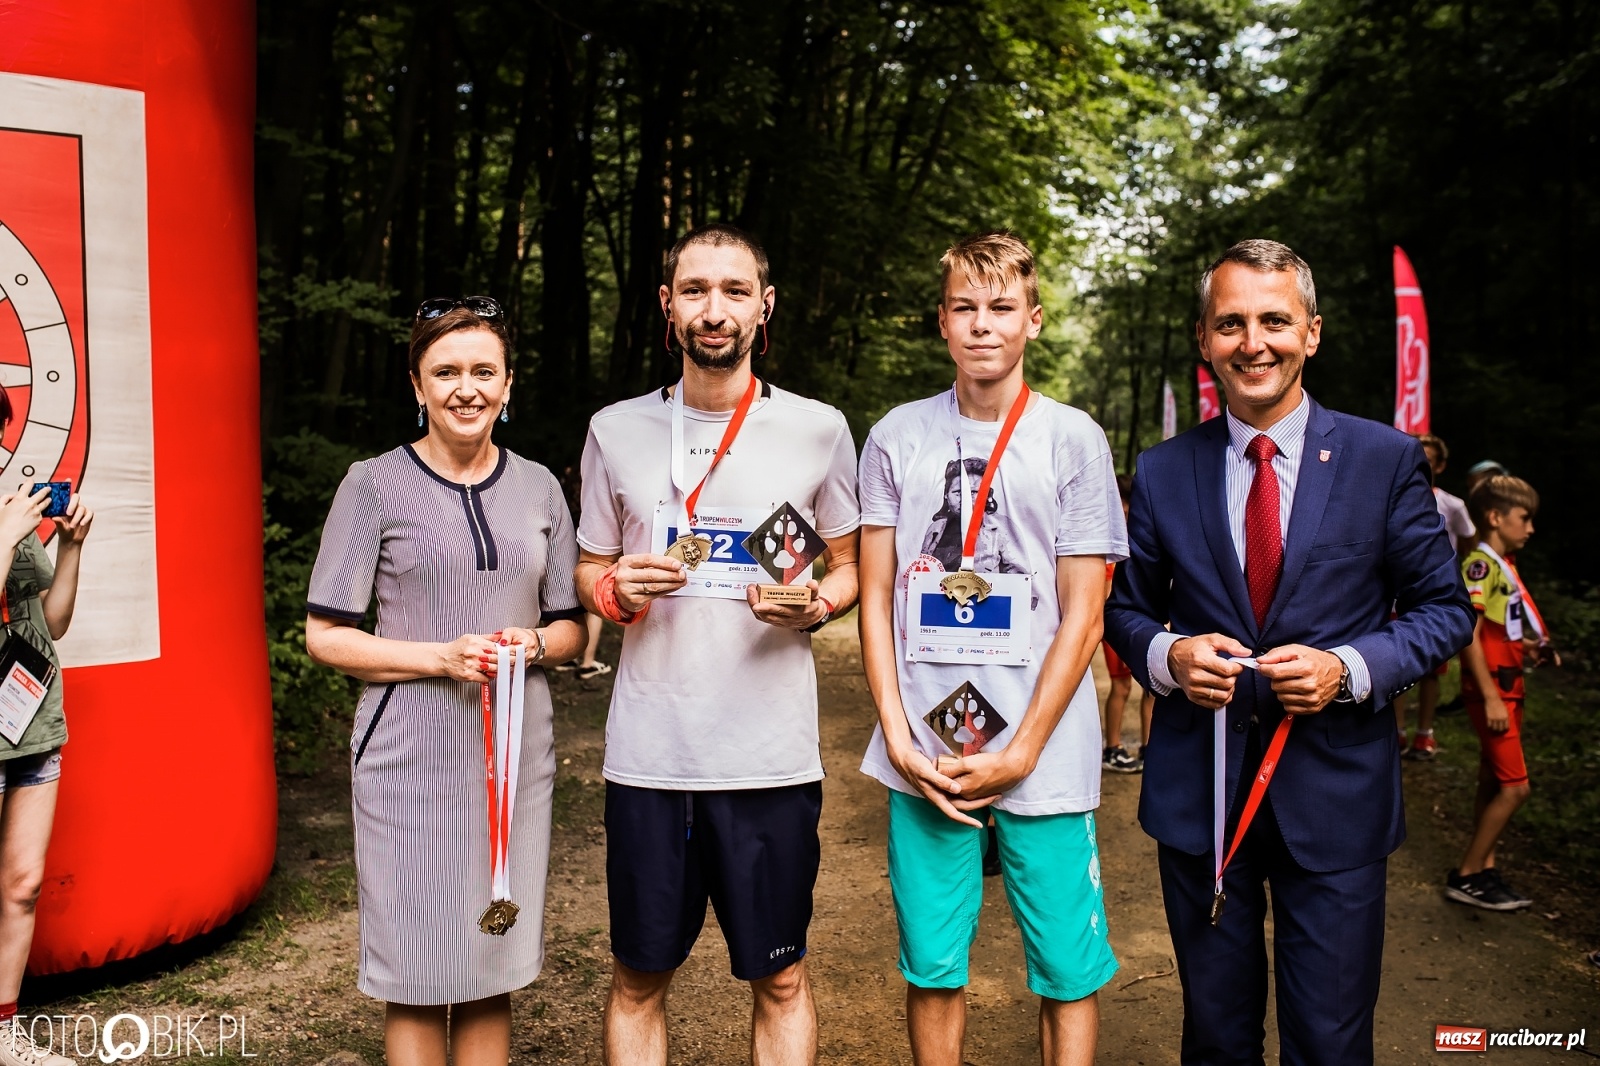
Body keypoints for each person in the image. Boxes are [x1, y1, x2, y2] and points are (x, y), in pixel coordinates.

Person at [1104, 239, 1473, 1065]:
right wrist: (1169, 656)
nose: (1253, 342)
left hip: (1336, 799)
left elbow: (1444, 610)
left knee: (1331, 1042)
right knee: (1218, 1037)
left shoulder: (1384, 461)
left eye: (1274, 320)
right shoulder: (1162, 471)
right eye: (1230, 323)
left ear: (1312, 331)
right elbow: (1125, 611)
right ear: (1204, 341)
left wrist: (1350, 669)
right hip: (1203, 804)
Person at [574, 223, 860, 1066]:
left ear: (764, 307)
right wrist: (614, 590)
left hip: (769, 760)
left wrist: (815, 604)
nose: (715, 309)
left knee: (780, 981)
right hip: (650, 758)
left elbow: (849, 566)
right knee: (637, 979)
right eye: (695, 290)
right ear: (668, 307)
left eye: (735, 291)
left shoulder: (818, 429)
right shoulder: (613, 429)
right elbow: (592, 565)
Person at [858, 231, 1123, 1066]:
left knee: (1065, 972)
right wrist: (899, 737)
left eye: (1001, 308)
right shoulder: (896, 436)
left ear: (1033, 320)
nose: (983, 325)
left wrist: (1026, 751)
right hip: (929, 752)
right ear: (942, 322)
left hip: (1045, 750)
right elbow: (872, 595)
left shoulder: (1072, 438)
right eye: (965, 308)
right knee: (934, 964)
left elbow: (1085, 615)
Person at [305, 297, 586, 1066]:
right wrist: (439, 657)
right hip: (410, 753)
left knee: (491, 956)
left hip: (515, 756)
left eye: (482, 371)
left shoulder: (539, 489)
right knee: (420, 967)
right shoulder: (372, 485)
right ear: (417, 385)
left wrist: (529, 641)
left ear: (508, 384)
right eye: (447, 371)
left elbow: (571, 628)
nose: (467, 387)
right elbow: (324, 636)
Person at [0, 386, 93, 1066]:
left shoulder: (11, 509)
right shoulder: (6, 520)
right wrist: (5, 537)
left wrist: (71, 549)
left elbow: (50, 622)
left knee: (23, 884)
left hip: (32, 723)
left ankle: (4, 1032)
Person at [1446, 474, 1556, 910]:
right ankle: (1467, 875)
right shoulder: (1481, 565)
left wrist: (1526, 646)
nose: (1530, 528)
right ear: (1495, 517)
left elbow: (1496, 628)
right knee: (1516, 788)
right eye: (1524, 518)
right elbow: (1470, 635)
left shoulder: (1502, 562)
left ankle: (1484, 867)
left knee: (1492, 781)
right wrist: (1490, 695)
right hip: (1494, 692)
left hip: (1510, 685)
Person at [1396, 432, 1475, 758]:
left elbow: (1468, 539)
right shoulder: (1393, 497)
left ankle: (1424, 733)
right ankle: (1397, 730)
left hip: (1434, 596)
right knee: (1397, 665)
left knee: (1431, 670)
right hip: (1398, 594)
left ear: (1440, 466)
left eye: (1430, 459)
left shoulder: (1452, 504)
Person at [1102, 475, 1151, 774]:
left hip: (1142, 617)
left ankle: (1149, 747)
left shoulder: (1140, 530)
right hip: (1116, 619)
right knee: (1121, 686)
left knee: (1152, 688)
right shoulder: (1108, 533)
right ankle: (1113, 748)